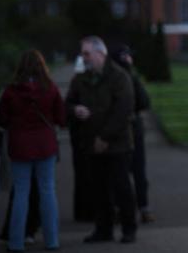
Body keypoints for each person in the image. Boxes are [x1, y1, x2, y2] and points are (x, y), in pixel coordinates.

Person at [66, 36, 137, 244]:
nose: (83, 57)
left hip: (118, 144)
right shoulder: (81, 79)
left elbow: (123, 110)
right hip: (91, 143)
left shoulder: (119, 77)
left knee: (122, 187)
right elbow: (68, 103)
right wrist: (74, 109)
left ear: (100, 54)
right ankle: (103, 229)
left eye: (87, 53)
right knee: (99, 189)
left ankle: (128, 228)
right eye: (83, 53)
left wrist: (105, 137)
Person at [0, 50, 64, 251]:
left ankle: (16, 242)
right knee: (48, 191)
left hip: (20, 147)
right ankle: (52, 240)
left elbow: (1, 120)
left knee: (21, 194)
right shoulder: (50, 89)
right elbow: (61, 118)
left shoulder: (10, 91)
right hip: (45, 145)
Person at [112, 45, 155, 224]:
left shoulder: (112, 78)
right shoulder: (131, 77)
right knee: (137, 170)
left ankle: (120, 208)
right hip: (131, 127)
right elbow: (144, 102)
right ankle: (142, 208)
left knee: (120, 171)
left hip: (118, 128)